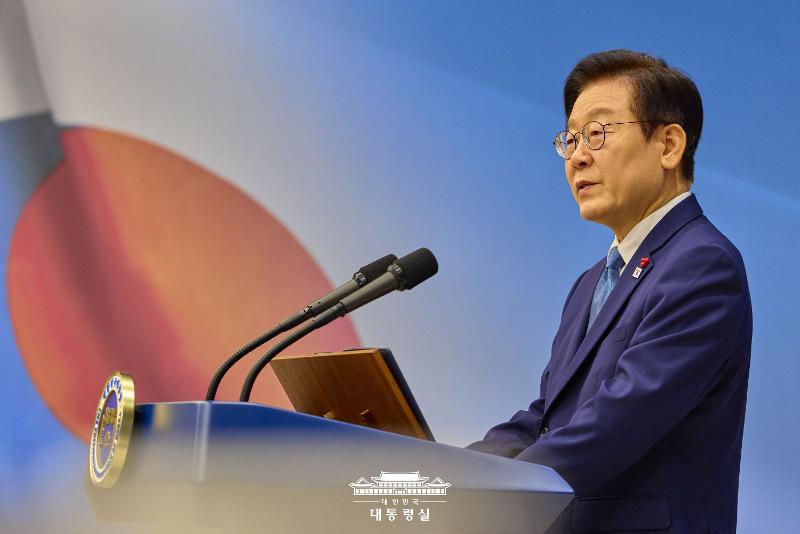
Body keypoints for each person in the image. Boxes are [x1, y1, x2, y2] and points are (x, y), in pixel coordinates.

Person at [468, 49, 752, 533]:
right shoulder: (589, 284)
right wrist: (450, 472)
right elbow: (547, 417)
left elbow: (615, 422)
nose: (578, 155)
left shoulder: (703, 265)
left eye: (597, 133)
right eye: (571, 138)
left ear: (668, 145)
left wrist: (487, 496)